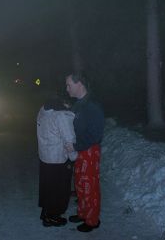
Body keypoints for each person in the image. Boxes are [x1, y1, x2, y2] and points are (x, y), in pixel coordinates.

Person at [65, 72, 105, 232]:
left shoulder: (92, 105)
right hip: (80, 149)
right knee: (81, 184)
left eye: (69, 85)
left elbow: (95, 135)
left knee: (90, 185)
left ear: (79, 84)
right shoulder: (79, 104)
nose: (66, 88)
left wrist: (75, 146)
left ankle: (92, 220)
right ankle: (83, 213)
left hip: (89, 150)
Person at [37, 96, 77, 227]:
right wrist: (74, 156)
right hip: (58, 158)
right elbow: (68, 139)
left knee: (48, 187)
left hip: (45, 157)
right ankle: (52, 217)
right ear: (63, 102)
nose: (69, 107)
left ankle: (46, 212)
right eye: (68, 104)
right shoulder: (61, 116)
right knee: (59, 189)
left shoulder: (43, 111)